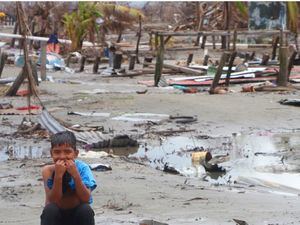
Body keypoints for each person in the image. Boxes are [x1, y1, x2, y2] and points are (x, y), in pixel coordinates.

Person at [40, 131, 97, 225]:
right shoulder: (48, 171)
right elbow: (52, 200)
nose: (62, 157)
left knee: (86, 210)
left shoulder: (83, 168)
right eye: (57, 152)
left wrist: (75, 175)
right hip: (56, 217)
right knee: (50, 210)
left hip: (77, 217)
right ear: (51, 153)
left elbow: (86, 199)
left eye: (67, 152)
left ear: (75, 153)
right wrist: (58, 175)